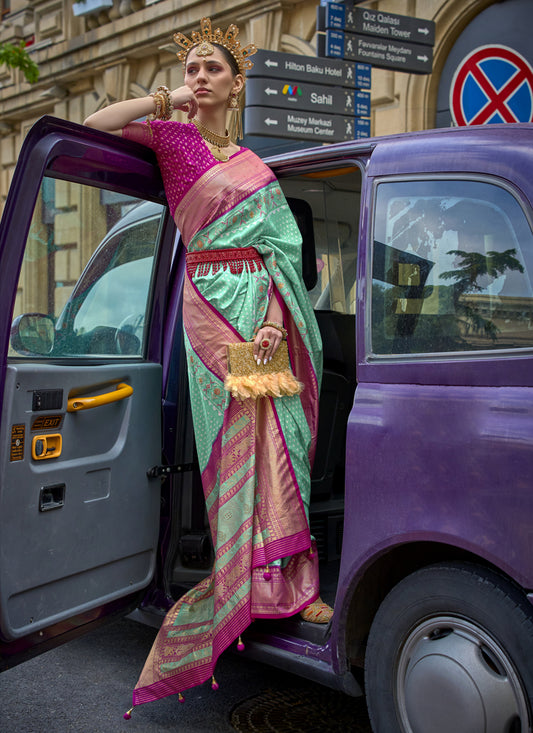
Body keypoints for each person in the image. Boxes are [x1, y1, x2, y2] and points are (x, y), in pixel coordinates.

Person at [84, 16, 332, 717]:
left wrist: (271, 319)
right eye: (191, 67)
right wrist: (160, 103)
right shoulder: (173, 138)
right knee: (231, 449)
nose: (199, 77)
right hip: (208, 310)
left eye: (210, 69)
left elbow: (283, 253)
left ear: (235, 81)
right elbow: (96, 122)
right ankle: (242, 580)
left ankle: (292, 583)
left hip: (265, 312)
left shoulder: (255, 166)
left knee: (282, 440)